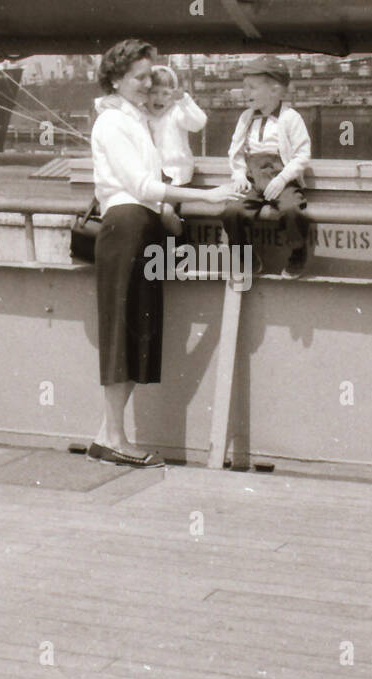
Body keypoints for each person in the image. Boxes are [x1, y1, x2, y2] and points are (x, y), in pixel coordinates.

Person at [88, 38, 226, 468]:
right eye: (140, 77)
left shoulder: (134, 119)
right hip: (126, 229)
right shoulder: (112, 124)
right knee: (122, 335)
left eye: (151, 75)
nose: (150, 83)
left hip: (143, 227)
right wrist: (207, 196)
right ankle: (114, 439)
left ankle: (105, 436)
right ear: (116, 78)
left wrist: (166, 211)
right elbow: (141, 185)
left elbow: (149, 185)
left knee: (137, 334)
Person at [221, 56, 312, 277]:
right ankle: (246, 255)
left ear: (274, 91)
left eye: (251, 87)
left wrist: (282, 179)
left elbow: (302, 155)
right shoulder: (246, 117)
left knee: (291, 210)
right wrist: (239, 173)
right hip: (252, 177)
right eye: (245, 86)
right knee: (232, 211)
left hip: (281, 176)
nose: (245, 92)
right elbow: (236, 150)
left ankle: (298, 251)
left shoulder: (291, 118)